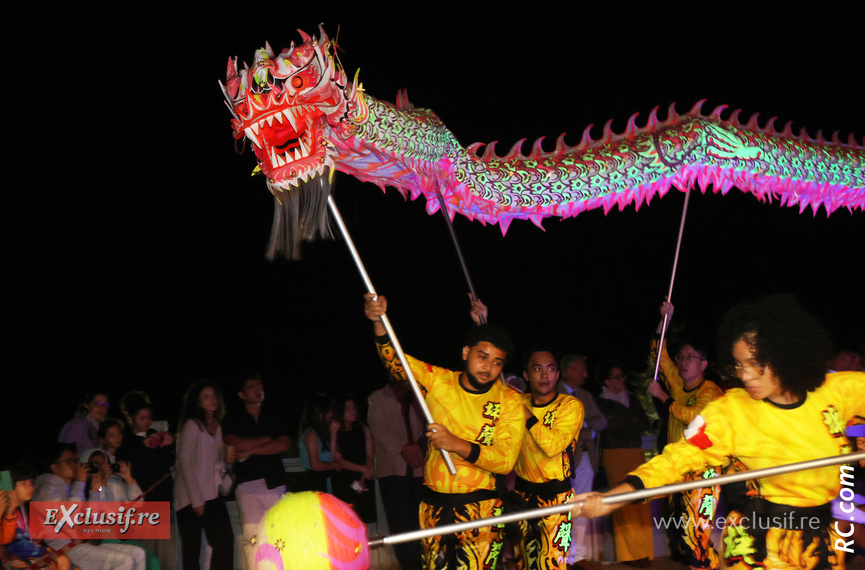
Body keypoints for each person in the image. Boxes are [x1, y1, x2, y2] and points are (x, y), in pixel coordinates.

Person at [574, 294, 865, 570]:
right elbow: (675, 459)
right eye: (738, 365)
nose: (744, 375)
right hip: (760, 543)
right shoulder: (731, 411)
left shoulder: (835, 391)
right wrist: (613, 498)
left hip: (820, 540)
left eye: (755, 364)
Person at [364, 293, 524, 570]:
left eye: (497, 362)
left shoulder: (509, 400)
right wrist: (379, 322)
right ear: (465, 353)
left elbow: (505, 461)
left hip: (482, 509)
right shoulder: (438, 381)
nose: (488, 367)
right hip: (433, 507)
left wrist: (455, 443)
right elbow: (395, 362)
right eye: (482, 357)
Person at [647, 300, 724, 570]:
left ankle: (702, 564)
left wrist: (663, 397)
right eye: (681, 357)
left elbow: (695, 417)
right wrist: (665, 320)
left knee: (696, 532)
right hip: (677, 469)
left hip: (703, 472)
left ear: (704, 364)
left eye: (690, 357)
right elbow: (658, 354)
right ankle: (705, 563)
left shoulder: (711, 391)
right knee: (680, 531)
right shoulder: (679, 386)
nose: (682, 362)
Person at [510, 350, 582, 570]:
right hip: (522, 497)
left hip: (557, 499)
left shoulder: (570, 406)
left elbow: (552, 447)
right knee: (525, 563)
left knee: (552, 565)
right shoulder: (517, 401)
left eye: (550, 369)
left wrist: (524, 412)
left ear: (558, 374)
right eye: (537, 369)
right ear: (526, 374)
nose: (544, 375)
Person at [32, 443, 147, 569]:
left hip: (85, 542)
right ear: (55, 468)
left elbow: (91, 518)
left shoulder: (73, 486)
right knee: (123, 560)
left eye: (75, 460)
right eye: (69, 461)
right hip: (63, 547)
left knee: (138, 554)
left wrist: (96, 490)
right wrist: (81, 483)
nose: (76, 464)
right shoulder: (46, 489)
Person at [222, 375, 289, 570]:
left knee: (277, 533)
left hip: (274, 481)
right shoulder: (233, 418)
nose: (258, 390)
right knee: (251, 536)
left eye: (260, 386)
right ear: (241, 394)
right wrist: (266, 439)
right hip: (247, 483)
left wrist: (250, 451)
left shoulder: (274, 413)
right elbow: (234, 442)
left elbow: (283, 444)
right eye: (252, 387)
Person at [174, 381, 235, 570]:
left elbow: (218, 463)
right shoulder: (193, 425)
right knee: (192, 549)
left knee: (225, 541)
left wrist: (228, 461)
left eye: (214, 395)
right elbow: (184, 460)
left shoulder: (220, 426)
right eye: (206, 397)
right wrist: (196, 499)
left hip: (212, 494)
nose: (212, 400)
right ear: (198, 402)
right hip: (190, 497)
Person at [595, 362, 651, 567]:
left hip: (635, 452)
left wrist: (624, 423)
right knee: (622, 502)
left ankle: (645, 552)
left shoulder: (632, 398)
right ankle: (629, 554)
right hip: (614, 454)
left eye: (622, 375)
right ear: (606, 381)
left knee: (641, 500)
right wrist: (629, 423)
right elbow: (607, 426)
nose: (622, 380)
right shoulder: (600, 401)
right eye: (616, 377)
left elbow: (644, 423)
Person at [368, 377, 427, 570]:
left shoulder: (417, 398)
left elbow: (425, 429)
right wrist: (408, 453)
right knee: (400, 524)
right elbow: (380, 433)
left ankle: (424, 562)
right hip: (393, 471)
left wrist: (417, 448)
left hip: (418, 468)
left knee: (421, 520)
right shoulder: (377, 398)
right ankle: (409, 565)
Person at [116, 393, 177, 570]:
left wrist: (170, 445)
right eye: (142, 418)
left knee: (168, 555)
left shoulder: (156, 436)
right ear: (132, 419)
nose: (147, 422)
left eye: (149, 417)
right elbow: (125, 463)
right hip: (144, 504)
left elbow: (169, 462)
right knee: (148, 555)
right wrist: (143, 446)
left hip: (164, 500)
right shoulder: (128, 443)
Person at [557, 354, 606, 570]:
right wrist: (586, 428)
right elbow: (562, 427)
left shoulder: (584, 395)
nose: (585, 374)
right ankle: (564, 554)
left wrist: (583, 426)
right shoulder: (554, 393)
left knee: (582, 506)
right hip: (561, 460)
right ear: (568, 371)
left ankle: (578, 556)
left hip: (586, 458)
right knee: (563, 507)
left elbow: (601, 421)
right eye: (580, 370)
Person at [2, 462, 73, 570]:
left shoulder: (26, 508)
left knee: (65, 560)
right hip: (16, 559)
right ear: (10, 486)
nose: (30, 487)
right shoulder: (5, 510)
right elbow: (13, 544)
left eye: (31, 482)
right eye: (23, 484)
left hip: (31, 554)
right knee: (61, 560)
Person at [330, 395, 376, 523]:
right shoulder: (336, 431)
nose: (352, 411)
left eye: (354, 408)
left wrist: (363, 477)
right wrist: (363, 469)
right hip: (344, 479)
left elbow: (369, 454)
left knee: (365, 518)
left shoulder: (363, 429)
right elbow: (336, 458)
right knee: (347, 519)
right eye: (348, 408)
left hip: (363, 477)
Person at [298, 394, 341, 494]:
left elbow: (333, 457)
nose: (331, 414)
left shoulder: (320, 434)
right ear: (319, 412)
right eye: (329, 411)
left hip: (324, 480)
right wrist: (334, 465)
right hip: (315, 483)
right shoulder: (311, 434)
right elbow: (315, 465)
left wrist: (333, 433)